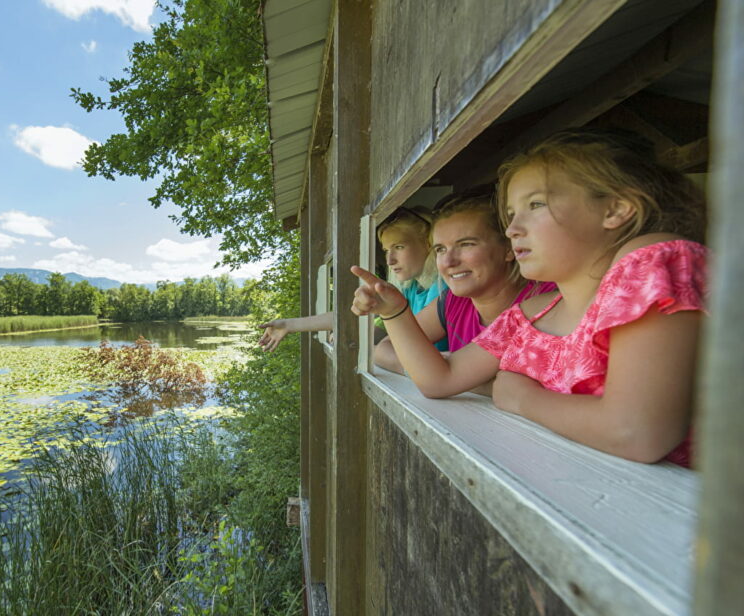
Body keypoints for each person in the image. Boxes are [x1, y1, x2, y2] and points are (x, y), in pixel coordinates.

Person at [352, 128, 706, 466]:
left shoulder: (655, 259)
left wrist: (524, 399)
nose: (512, 229)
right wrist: (396, 312)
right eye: (510, 214)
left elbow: (636, 432)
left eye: (535, 205)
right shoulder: (530, 315)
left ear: (614, 209)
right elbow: (439, 379)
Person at [370, 188, 553, 374]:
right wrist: (429, 367)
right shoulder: (453, 301)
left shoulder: (547, 302)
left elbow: (534, 385)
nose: (449, 262)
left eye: (466, 244)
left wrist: (441, 368)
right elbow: (385, 348)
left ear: (508, 249)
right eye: (440, 249)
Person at [258, 205, 444, 352]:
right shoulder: (410, 290)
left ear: (429, 244)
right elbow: (357, 318)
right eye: (387, 250)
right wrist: (289, 324)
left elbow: (404, 344)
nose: (390, 260)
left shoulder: (443, 289)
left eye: (399, 247)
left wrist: (359, 339)